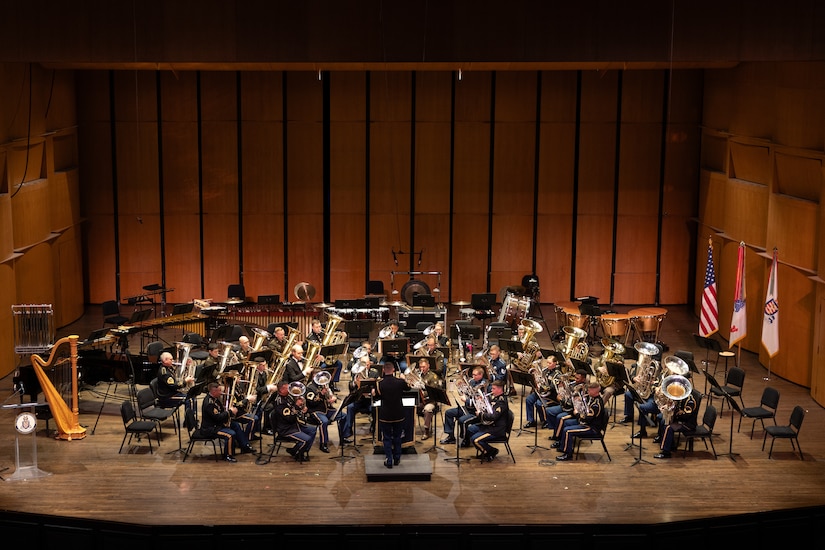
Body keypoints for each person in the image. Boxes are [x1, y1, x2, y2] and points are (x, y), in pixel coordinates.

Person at [200, 381, 255, 462]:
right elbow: (217, 417)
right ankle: (228, 455)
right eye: (219, 391)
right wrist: (230, 411)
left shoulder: (215, 399)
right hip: (211, 428)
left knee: (235, 425)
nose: (221, 392)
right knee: (230, 434)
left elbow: (221, 411)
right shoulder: (209, 403)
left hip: (217, 424)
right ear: (214, 391)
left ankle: (244, 446)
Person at [555, 381, 607, 461]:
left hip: (591, 428)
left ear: (595, 391)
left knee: (567, 430)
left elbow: (586, 419)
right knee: (566, 423)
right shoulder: (592, 399)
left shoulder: (596, 404)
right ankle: (564, 446)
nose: (587, 392)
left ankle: (568, 454)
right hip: (587, 423)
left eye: (589, 391)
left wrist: (577, 414)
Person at [269, 380, 317, 462]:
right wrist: (297, 406)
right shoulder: (280, 403)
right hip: (286, 429)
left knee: (313, 430)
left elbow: (293, 409)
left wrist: (301, 407)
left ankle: (297, 450)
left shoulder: (288, 396)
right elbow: (290, 418)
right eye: (287, 388)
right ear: (281, 390)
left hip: (294, 424)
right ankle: (298, 453)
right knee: (307, 439)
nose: (289, 390)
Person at [339, 352, 380, 444]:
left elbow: (378, 385)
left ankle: (374, 428)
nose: (366, 366)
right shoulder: (356, 373)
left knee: (376, 408)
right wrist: (354, 382)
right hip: (359, 400)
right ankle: (348, 430)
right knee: (350, 407)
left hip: (370, 400)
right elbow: (351, 388)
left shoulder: (374, 372)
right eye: (364, 364)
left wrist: (374, 391)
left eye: (368, 364)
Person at [375, 360, 409, 468]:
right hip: (398, 414)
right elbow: (408, 388)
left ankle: (389, 459)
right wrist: (404, 379)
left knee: (387, 438)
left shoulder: (379, 384)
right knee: (398, 437)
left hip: (386, 415)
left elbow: (376, 397)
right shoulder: (400, 382)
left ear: (384, 370)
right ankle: (397, 458)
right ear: (393, 370)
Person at [441, 365, 486, 445]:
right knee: (449, 412)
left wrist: (467, 400)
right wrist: (460, 388)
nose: (473, 377)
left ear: (481, 375)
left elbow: (480, 401)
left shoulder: (484, 385)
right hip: (467, 408)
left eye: (475, 375)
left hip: (475, 411)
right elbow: (465, 393)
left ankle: (466, 440)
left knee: (462, 420)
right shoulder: (472, 382)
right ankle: (451, 436)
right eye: (472, 374)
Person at [467, 379, 510, 462]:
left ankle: (490, 452)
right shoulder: (496, 398)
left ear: (499, 389)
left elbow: (494, 417)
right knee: (470, 429)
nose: (491, 390)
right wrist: (481, 401)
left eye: (493, 389)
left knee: (475, 440)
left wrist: (480, 414)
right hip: (490, 425)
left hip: (496, 429)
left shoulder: (502, 402)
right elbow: (490, 406)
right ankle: (487, 449)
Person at [653, 387, 700, 459]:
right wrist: (667, 407)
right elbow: (675, 405)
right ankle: (671, 445)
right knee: (663, 420)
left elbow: (685, 415)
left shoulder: (690, 401)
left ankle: (666, 452)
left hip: (688, 424)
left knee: (668, 428)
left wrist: (674, 412)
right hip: (680, 420)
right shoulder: (681, 396)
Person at [546, 368, 590, 442]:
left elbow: (577, 404)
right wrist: (561, 389)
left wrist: (563, 400)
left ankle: (557, 438)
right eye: (575, 377)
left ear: (583, 379)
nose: (575, 380)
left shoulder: (585, 389)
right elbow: (566, 394)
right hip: (566, 406)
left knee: (560, 418)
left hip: (574, 410)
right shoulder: (573, 384)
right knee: (549, 411)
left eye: (577, 378)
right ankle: (556, 430)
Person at [409, 356, 443, 440]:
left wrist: (422, 392)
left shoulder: (433, 377)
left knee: (428, 410)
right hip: (420, 400)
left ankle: (426, 431)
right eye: (420, 367)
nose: (422, 369)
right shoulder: (419, 375)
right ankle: (408, 430)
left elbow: (433, 392)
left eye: (423, 367)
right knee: (408, 407)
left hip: (430, 401)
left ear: (428, 366)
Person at [305, 366, 337, 453]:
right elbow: (311, 403)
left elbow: (330, 395)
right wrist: (321, 394)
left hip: (326, 409)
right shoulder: (310, 387)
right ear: (313, 376)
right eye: (318, 375)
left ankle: (344, 436)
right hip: (315, 411)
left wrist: (333, 397)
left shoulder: (323, 384)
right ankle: (323, 443)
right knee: (324, 422)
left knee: (342, 415)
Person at [523, 355, 561, 429]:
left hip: (550, 396)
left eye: (549, 363)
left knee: (539, 404)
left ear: (555, 363)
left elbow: (552, 388)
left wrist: (543, 387)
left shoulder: (557, 374)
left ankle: (546, 421)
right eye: (547, 363)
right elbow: (540, 380)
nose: (547, 365)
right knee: (529, 399)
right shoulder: (545, 370)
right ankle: (531, 420)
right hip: (541, 392)